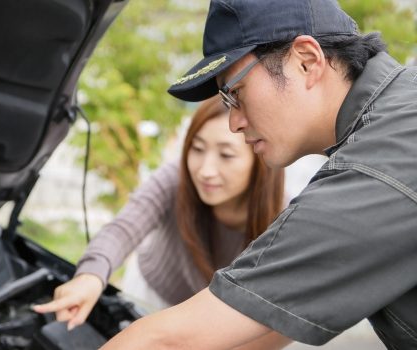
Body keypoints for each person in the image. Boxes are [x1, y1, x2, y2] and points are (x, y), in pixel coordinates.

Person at [100, 0, 417, 349]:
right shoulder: (400, 113)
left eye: (235, 94)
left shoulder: (375, 171)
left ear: (306, 61)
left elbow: (167, 342)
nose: (234, 122)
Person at [33, 96, 285, 334]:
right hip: (150, 291)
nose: (205, 170)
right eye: (197, 149)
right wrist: (90, 276)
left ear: (261, 158)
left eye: (226, 155)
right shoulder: (175, 177)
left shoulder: (284, 217)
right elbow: (124, 227)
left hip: (212, 318)